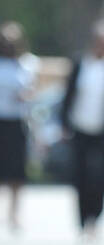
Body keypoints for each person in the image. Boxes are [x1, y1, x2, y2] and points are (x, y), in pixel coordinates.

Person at [60, 20, 104, 239]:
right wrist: (63, 125)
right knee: (80, 175)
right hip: (80, 128)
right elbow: (67, 97)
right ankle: (81, 220)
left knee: (101, 177)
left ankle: (95, 218)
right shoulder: (80, 64)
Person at [0, 21, 33, 231]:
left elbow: (30, 91)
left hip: (16, 121)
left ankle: (14, 213)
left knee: (16, 172)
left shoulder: (25, 65)